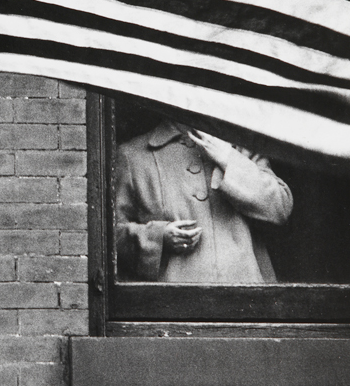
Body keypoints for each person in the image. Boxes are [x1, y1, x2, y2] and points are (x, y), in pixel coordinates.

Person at [115, 120, 293, 283]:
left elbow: (280, 207)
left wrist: (229, 159)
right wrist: (158, 237)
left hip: (245, 295)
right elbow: (110, 235)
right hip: (174, 299)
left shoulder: (242, 145)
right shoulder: (133, 155)